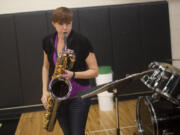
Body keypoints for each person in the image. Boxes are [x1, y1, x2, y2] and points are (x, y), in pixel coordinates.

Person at [41, 7, 98, 135]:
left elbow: (95, 71)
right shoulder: (48, 41)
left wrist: (73, 74)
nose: (65, 28)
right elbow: (45, 67)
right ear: (53, 23)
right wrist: (44, 92)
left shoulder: (81, 41)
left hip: (79, 96)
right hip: (58, 98)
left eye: (69, 24)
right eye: (61, 24)